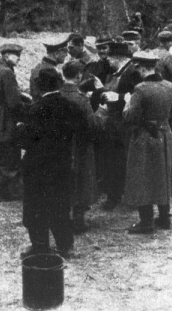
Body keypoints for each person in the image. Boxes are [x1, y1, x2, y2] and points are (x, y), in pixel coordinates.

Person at [22, 68, 87, 259]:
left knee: (35, 208)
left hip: (37, 167)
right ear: (59, 84)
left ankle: (40, 246)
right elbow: (83, 130)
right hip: (62, 165)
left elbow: (26, 140)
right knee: (60, 207)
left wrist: (19, 130)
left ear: (39, 86)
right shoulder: (71, 106)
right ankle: (66, 246)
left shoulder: (35, 109)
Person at [124, 52, 172, 234]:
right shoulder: (170, 86)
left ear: (141, 68)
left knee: (143, 177)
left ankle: (146, 221)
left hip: (145, 137)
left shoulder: (140, 89)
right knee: (163, 175)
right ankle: (164, 218)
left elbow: (131, 117)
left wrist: (126, 104)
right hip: (165, 134)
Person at [91, 42, 141, 210]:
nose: (108, 61)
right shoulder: (118, 72)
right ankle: (116, 195)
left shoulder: (132, 73)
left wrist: (115, 96)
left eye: (110, 58)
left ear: (116, 58)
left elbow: (136, 97)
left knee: (119, 161)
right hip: (113, 124)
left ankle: (117, 196)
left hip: (123, 125)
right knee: (114, 160)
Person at [0, 43, 31, 202]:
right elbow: (13, 103)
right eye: (16, 55)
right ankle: (10, 193)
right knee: (9, 157)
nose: (19, 58)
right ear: (6, 55)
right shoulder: (6, 72)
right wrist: (26, 115)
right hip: (5, 119)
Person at [59, 60, 102, 233]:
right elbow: (92, 125)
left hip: (60, 145)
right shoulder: (81, 99)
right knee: (81, 180)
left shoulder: (57, 94)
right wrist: (102, 112)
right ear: (78, 76)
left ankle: (62, 217)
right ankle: (78, 220)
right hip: (80, 146)